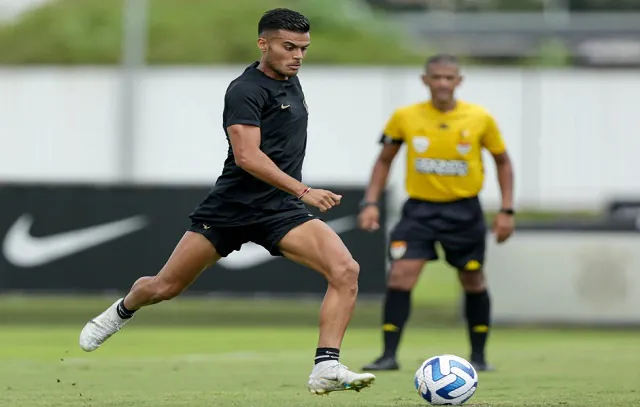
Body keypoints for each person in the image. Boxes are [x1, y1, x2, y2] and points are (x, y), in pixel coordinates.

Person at [78, 8, 375, 395]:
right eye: (289, 47)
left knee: (345, 270)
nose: (298, 55)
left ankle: (326, 366)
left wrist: (292, 196)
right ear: (263, 43)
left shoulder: (291, 81)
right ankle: (121, 310)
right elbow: (247, 157)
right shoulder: (244, 90)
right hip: (231, 209)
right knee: (166, 286)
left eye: (303, 48)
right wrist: (304, 190)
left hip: (279, 210)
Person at [358, 54, 515, 372]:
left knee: (472, 278)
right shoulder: (405, 116)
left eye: (449, 77)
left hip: (464, 211)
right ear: (425, 80)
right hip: (419, 211)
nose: (443, 83)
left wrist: (507, 210)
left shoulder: (479, 118)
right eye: (437, 77)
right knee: (401, 275)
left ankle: (480, 356)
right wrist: (370, 202)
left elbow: (502, 161)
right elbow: (384, 159)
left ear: (459, 81)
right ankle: (388, 355)